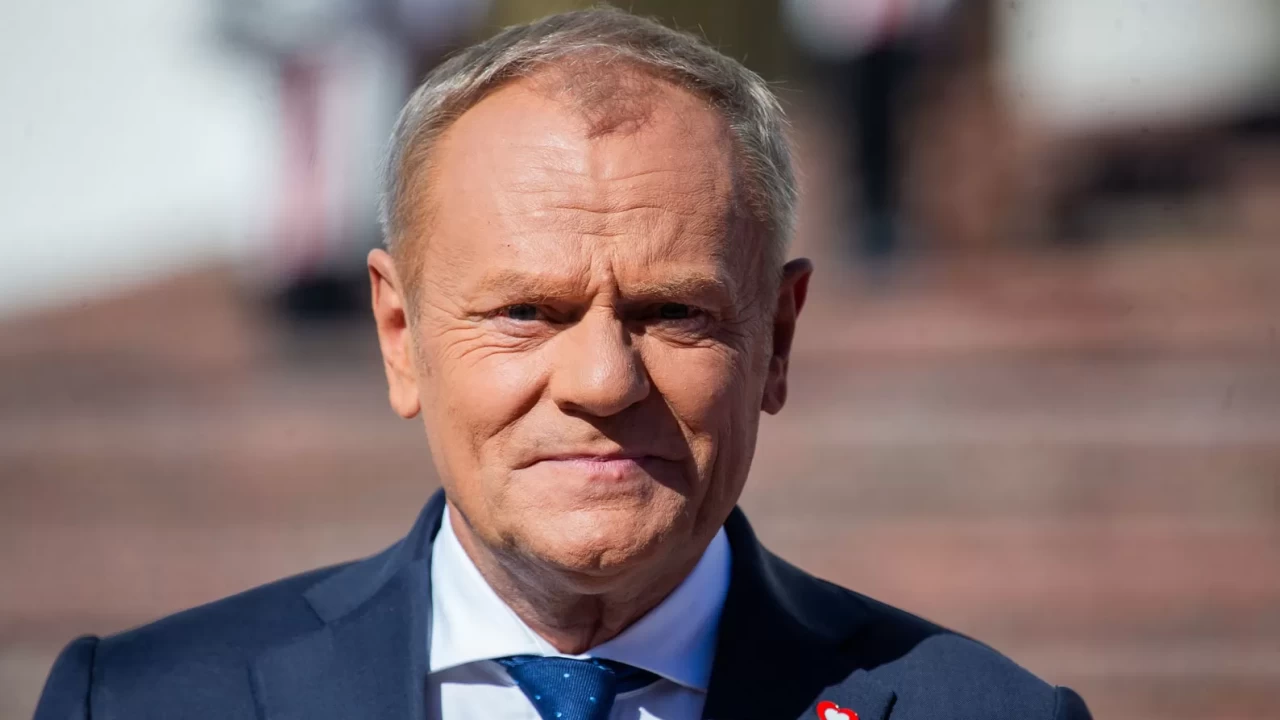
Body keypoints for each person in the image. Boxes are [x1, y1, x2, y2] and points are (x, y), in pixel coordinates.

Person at [34, 9, 1092, 720]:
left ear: (777, 337)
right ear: (400, 338)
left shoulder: (982, 713)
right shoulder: (140, 704)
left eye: (673, 313)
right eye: (526, 313)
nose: (600, 382)